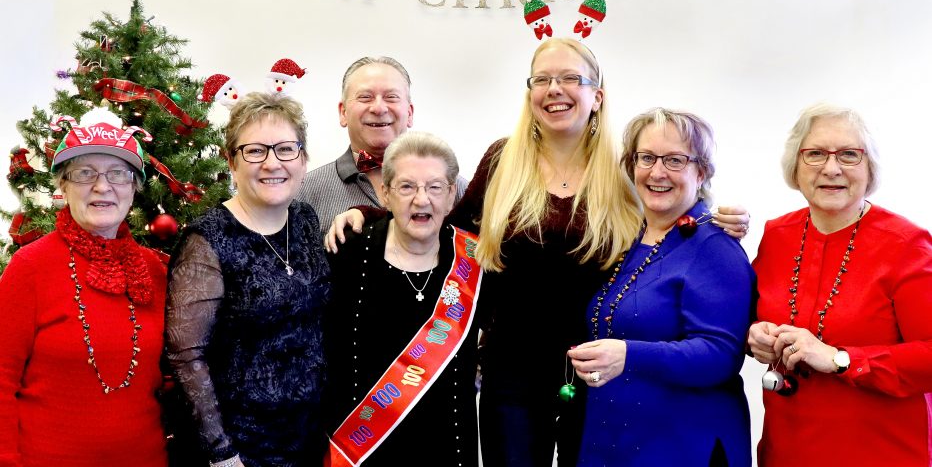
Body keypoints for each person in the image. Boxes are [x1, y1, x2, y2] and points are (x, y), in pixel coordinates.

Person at [328, 39, 751, 466]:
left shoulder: (624, 173)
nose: (555, 89)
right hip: (509, 373)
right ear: (529, 92)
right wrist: (369, 215)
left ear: (596, 96)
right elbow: (445, 228)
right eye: (543, 79)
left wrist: (715, 218)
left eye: (571, 78)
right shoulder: (501, 162)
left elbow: (665, 222)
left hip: (596, 374)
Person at [747, 103, 932, 466]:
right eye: (815, 154)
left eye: (849, 155)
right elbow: (749, 317)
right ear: (796, 167)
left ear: (869, 168)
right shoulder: (776, 234)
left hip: (880, 452)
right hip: (786, 449)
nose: (832, 168)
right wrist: (755, 335)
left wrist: (840, 359)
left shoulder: (906, 244)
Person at [567, 108, 754, 466]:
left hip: (684, 446)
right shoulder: (630, 237)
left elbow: (720, 356)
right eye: (647, 158)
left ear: (701, 172)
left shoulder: (715, 245)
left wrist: (629, 355)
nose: (657, 172)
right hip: (617, 439)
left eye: (674, 160)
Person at [164, 92, 331, 467]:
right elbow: (186, 356)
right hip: (243, 448)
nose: (273, 163)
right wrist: (222, 452)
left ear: (303, 159)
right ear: (232, 161)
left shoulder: (304, 219)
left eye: (286, 149)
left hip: (308, 438)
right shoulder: (206, 241)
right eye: (255, 151)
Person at [0, 108, 167, 466]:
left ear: (134, 188)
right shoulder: (29, 267)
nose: (102, 186)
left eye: (118, 173)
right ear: (63, 184)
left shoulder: (156, 270)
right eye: (84, 173)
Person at [324, 131, 481, 466]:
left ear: (452, 194)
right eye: (407, 187)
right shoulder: (346, 255)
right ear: (385, 193)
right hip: (362, 450)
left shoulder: (477, 261)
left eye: (435, 187)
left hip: (448, 448)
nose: (421, 200)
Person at [296, 56, 466, 230]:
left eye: (391, 97)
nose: (378, 108)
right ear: (343, 112)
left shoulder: (454, 188)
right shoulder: (305, 193)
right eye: (365, 97)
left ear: (410, 113)